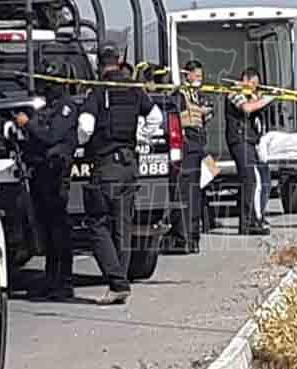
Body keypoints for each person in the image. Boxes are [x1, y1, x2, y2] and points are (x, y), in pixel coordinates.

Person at [78, 43, 162, 305]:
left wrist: (81, 143)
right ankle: (119, 284)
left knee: (97, 224)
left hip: (107, 166)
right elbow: (156, 117)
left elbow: (85, 126)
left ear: (99, 65)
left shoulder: (98, 90)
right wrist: (139, 136)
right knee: (123, 226)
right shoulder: (134, 88)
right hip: (129, 166)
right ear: (120, 60)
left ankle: (117, 282)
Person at [14, 65, 78, 300]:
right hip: (42, 173)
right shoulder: (46, 108)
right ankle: (51, 279)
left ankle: (64, 282)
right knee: (47, 230)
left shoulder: (66, 107)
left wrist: (28, 124)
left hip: (56, 173)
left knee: (59, 230)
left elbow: (51, 136)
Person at [225, 67, 275, 235]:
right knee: (250, 180)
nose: (254, 87)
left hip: (250, 141)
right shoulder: (234, 91)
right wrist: (266, 99)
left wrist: (261, 97)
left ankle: (255, 217)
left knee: (259, 180)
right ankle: (247, 223)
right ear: (245, 80)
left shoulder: (251, 95)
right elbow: (247, 108)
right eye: (252, 83)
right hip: (240, 140)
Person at [171, 60, 213, 253]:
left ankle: (193, 237)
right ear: (187, 75)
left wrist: (205, 113)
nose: (199, 79)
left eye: (201, 76)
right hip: (187, 145)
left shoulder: (198, 95)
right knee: (186, 193)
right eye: (196, 75)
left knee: (196, 193)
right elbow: (176, 119)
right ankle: (184, 237)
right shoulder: (180, 95)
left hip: (198, 145)